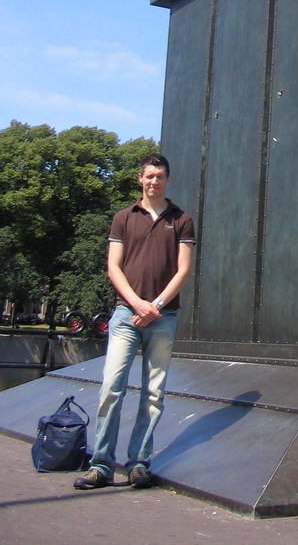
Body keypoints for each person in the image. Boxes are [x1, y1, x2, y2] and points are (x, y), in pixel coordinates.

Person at [73, 153, 195, 490]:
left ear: (168, 180)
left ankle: (139, 463)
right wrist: (137, 303)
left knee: (154, 394)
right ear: (140, 179)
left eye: (160, 176)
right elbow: (114, 267)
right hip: (126, 315)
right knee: (111, 388)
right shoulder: (123, 218)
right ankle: (101, 465)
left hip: (163, 316)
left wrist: (154, 305)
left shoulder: (181, 219)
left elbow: (184, 269)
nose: (154, 181)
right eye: (149, 176)